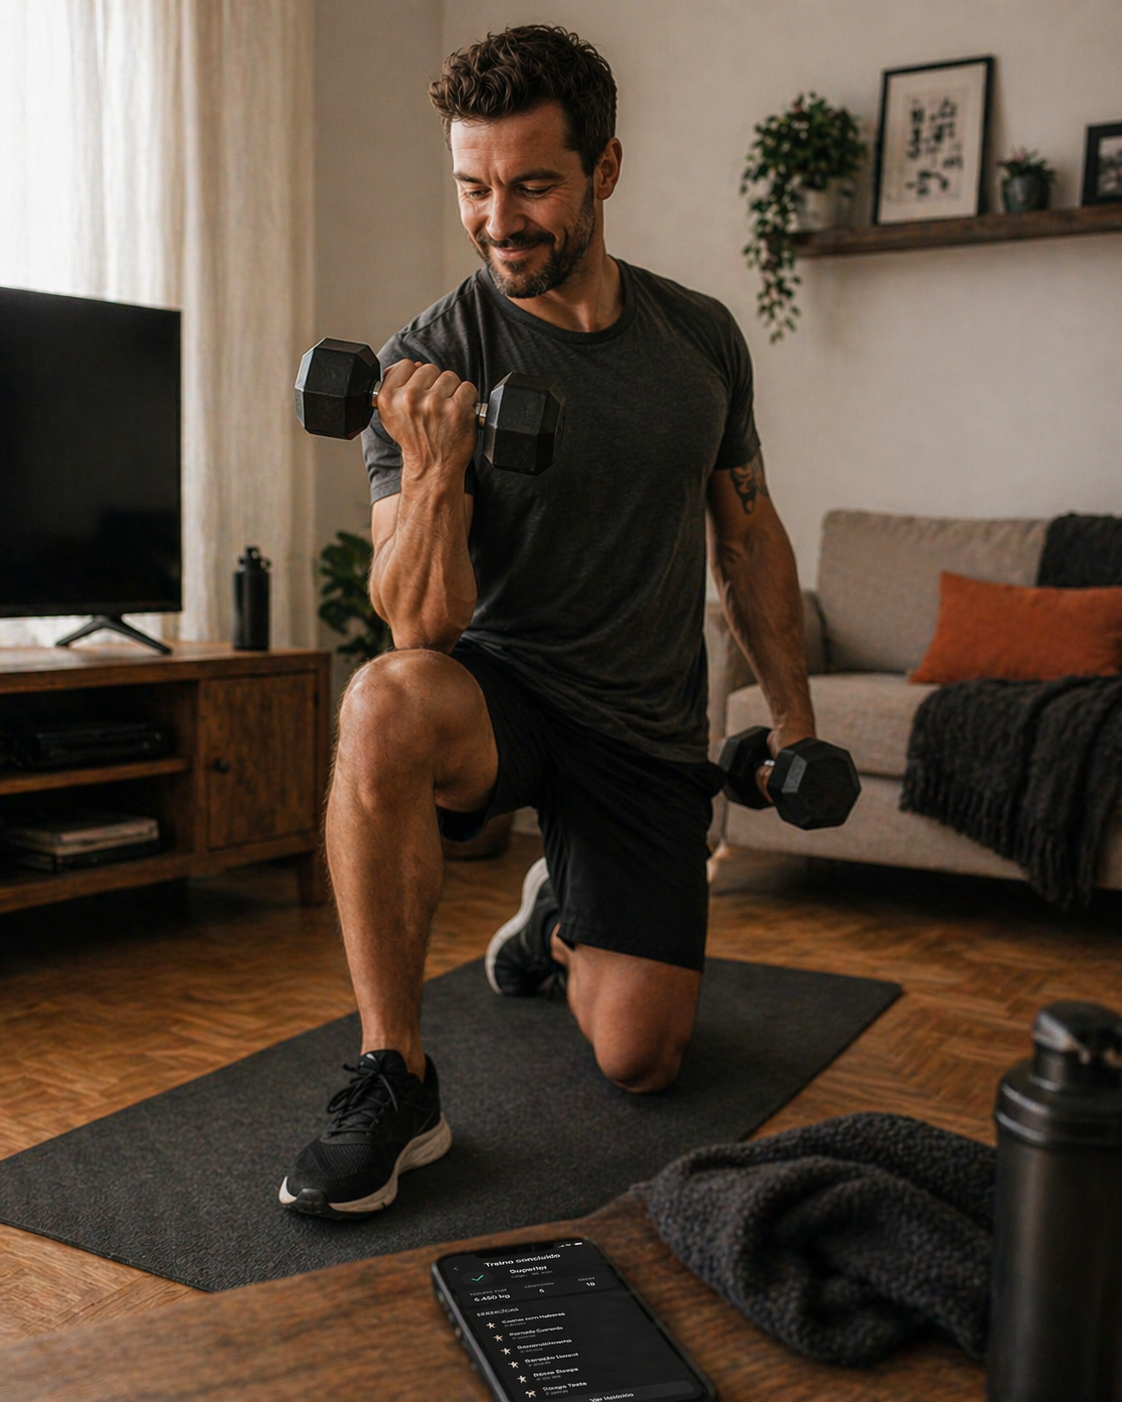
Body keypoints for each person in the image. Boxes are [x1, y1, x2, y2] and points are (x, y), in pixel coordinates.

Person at [279, 24, 816, 1219]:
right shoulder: (428, 358)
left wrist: (794, 723)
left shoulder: (700, 341)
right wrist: (430, 468)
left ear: (605, 171)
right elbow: (421, 628)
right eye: (473, 187)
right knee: (380, 698)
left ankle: (557, 925)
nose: (498, 218)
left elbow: (750, 535)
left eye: (531, 184)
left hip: (644, 730)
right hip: (501, 699)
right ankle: (394, 1076)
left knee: (642, 1059)